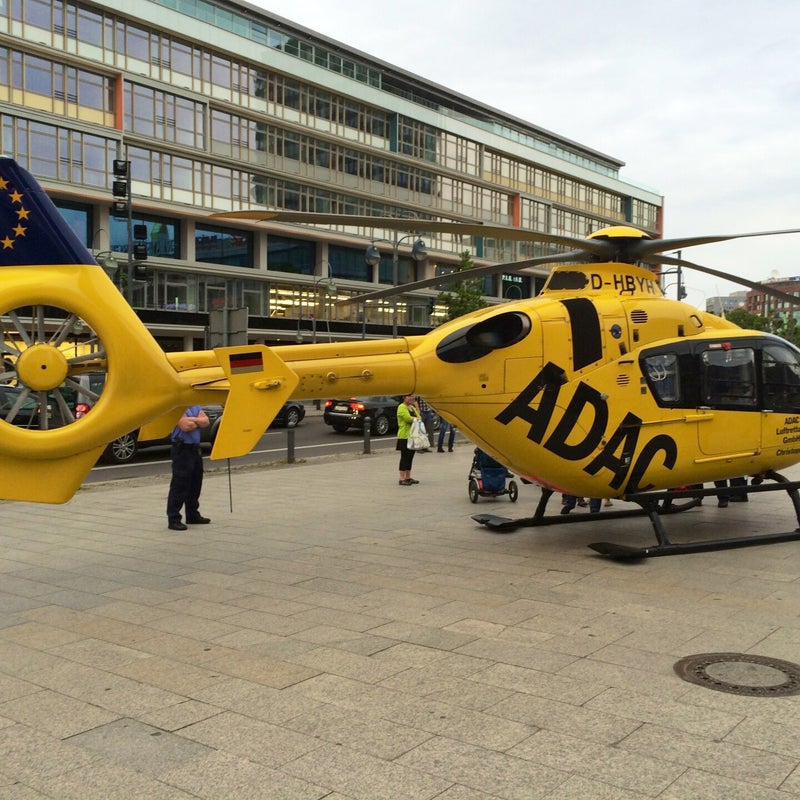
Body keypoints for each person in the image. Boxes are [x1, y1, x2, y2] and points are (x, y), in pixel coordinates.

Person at [166, 405, 211, 530]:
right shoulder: (176, 407)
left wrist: (193, 420)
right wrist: (197, 421)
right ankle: (173, 518)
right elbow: (185, 426)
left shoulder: (194, 405)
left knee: (195, 482)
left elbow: (206, 422)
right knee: (180, 483)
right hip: (182, 448)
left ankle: (192, 514)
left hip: (195, 448)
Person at [396, 394, 420, 485]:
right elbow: (407, 419)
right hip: (404, 436)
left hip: (412, 436)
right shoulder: (401, 407)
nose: (411, 398)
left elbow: (419, 417)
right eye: (409, 396)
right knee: (404, 457)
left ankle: (408, 476)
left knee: (410, 457)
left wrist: (415, 418)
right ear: (404, 398)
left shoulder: (411, 407)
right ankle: (401, 478)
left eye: (412, 396)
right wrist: (415, 419)